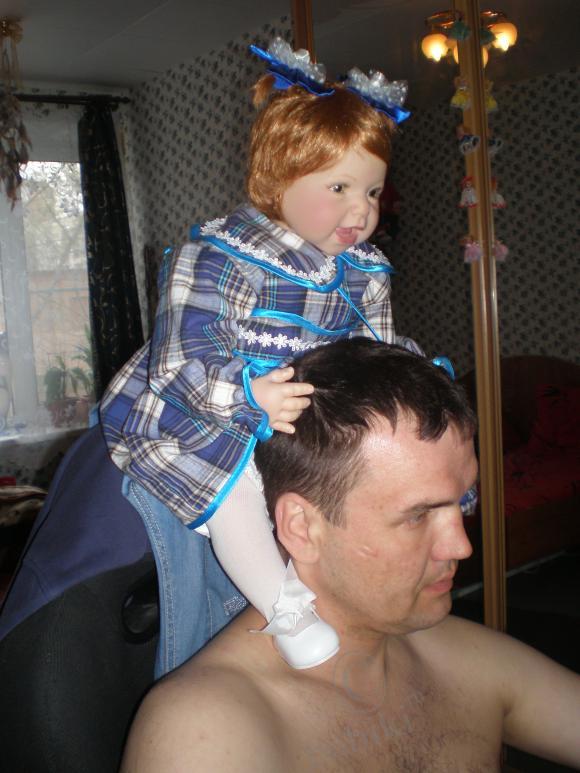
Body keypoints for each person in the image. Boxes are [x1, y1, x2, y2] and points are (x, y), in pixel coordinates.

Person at [99, 37, 413, 675]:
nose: (361, 210)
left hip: (293, 413)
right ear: (281, 177)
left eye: (373, 191)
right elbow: (179, 360)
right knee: (236, 482)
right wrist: (247, 395)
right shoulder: (221, 255)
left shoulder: (364, 271)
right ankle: (284, 607)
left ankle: (348, 585)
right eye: (340, 186)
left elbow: (372, 353)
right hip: (194, 407)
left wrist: (404, 382)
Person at [120, 339, 580, 773]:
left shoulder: (469, 662)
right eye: (418, 515)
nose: (461, 546)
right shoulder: (204, 732)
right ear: (302, 527)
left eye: (461, 501)